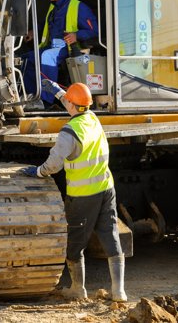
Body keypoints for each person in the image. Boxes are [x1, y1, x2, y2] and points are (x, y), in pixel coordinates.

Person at [18, 80, 126, 302]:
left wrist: (38, 172)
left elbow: (53, 165)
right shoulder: (92, 119)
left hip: (83, 196)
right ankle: (119, 292)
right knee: (111, 236)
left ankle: (78, 288)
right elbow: (74, 102)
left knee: (75, 244)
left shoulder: (69, 132)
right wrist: (58, 91)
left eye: (68, 101)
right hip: (106, 189)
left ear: (72, 107)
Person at [23, 0, 98, 105]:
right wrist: (33, 32)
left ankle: (46, 100)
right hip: (52, 46)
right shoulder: (53, 8)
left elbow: (94, 30)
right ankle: (31, 96)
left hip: (68, 48)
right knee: (27, 58)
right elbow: (47, 24)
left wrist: (77, 35)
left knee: (47, 56)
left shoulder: (79, 7)